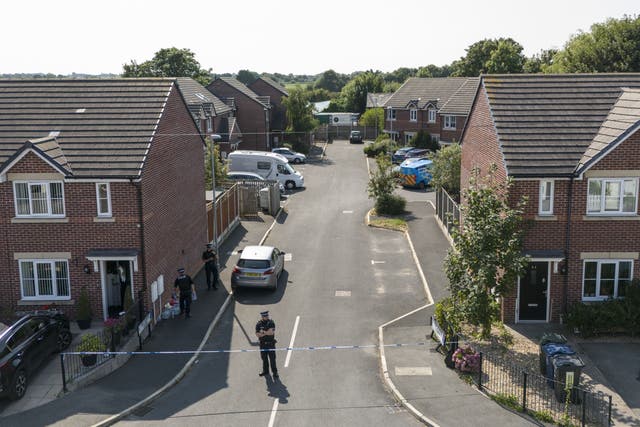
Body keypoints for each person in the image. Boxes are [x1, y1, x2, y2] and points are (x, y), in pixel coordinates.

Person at [255, 310, 278, 378]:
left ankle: (275, 372)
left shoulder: (271, 322)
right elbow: (257, 334)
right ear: (262, 317)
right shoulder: (258, 324)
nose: (266, 317)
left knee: (272, 359)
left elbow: (271, 333)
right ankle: (265, 371)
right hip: (262, 344)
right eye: (265, 316)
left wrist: (263, 332)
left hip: (270, 344)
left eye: (267, 315)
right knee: (264, 359)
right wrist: (266, 332)